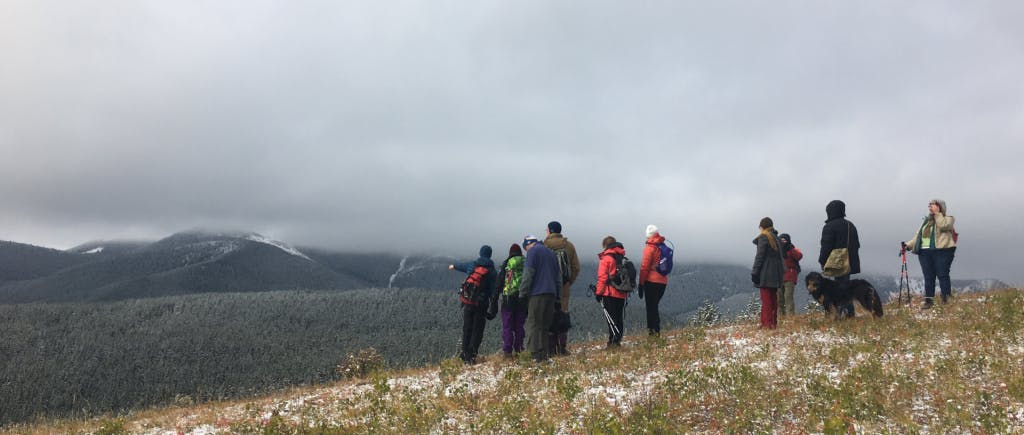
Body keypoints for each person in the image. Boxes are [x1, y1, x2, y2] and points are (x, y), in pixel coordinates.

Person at [904, 199, 957, 309]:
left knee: (942, 274)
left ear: (939, 207)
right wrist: (907, 246)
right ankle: (929, 300)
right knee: (928, 276)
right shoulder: (926, 222)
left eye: (932, 205)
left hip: (942, 251)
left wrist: (938, 214)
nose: (930, 207)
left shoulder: (948, 219)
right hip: (924, 252)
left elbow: (943, 226)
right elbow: (918, 237)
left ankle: (946, 298)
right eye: (929, 206)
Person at [448, 245, 497, 364]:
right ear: (490, 255)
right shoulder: (492, 271)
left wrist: (453, 266)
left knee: (467, 328)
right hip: (482, 304)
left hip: (469, 302)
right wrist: (493, 307)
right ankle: (471, 355)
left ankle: (464, 353)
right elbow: (493, 291)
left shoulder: (473, 265)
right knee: (477, 330)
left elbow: (462, 266)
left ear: (480, 253)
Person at [518, 235, 562, 362]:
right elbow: (558, 278)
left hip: (537, 293)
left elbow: (528, 274)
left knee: (534, 324)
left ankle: (533, 354)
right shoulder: (551, 253)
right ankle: (544, 354)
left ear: (528, 244)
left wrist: (522, 294)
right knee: (544, 325)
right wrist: (558, 297)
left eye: (526, 248)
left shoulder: (533, 252)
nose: (526, 251)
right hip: (551, 294)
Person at [542, 221, 580, 355]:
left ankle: (551, 349)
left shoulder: (544, 246)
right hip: (563, 287)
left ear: (549, 231)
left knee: (548, 315)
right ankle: (562, 348)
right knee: (562, 315)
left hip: (547, 287)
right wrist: (568, 282)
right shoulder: (569, 246)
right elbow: (576, 268)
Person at [818, 200, 861, 318]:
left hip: (836, 262)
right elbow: (856, 245)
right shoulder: (850, 225)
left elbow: (826, 246)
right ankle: (849, 313)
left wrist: (822, 261)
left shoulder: (829, 226)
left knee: (839, 287)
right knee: (845, 286)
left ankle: (840, 313)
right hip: (850, 262)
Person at [489, 243, 528, 357]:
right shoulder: (526, 263)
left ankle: (507, 351)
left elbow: (499, 283)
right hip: (523, 299)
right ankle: (519, 348)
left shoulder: (507, 263)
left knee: (508, 326)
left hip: (508, 299)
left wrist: (494, 300)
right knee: (519, 326)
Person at [595, 236, 629, 347]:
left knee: (611, 318)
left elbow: (602, 278)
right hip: (622, 292)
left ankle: (612, 340)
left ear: (605, 245)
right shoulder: (622, 257)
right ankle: (617, 339)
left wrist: (598, 293)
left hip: (610, 293)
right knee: (619, 317)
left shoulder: (606, 258)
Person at [752, 218, 785, 329]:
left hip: (766, 273)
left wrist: (755, 272)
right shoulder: (776, 238)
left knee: (766, 299)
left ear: (762, 227)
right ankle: (772, 323)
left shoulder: (764, 237)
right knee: (773, 299)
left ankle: (767, 324)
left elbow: (760, 257)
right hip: (776, 273)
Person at [639, 224, 669, 336]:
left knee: (651, 308)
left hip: (651, 282)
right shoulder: (662, 246)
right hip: (663, 282)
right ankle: (655, 331)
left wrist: (641, 284)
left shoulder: (650, 248)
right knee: (654, 306)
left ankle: (654, 332)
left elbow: (644, 267)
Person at [778, 233, 803, 316]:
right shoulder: (777, 250)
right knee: (779, 299)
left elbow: (799, 256)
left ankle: (790, 317)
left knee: (788, 297)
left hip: (790, 276)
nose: (782, 242)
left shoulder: (792, 249)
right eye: (781, 240)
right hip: (779, 277)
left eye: (784, 240)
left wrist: (791, 248)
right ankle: (780, 317)